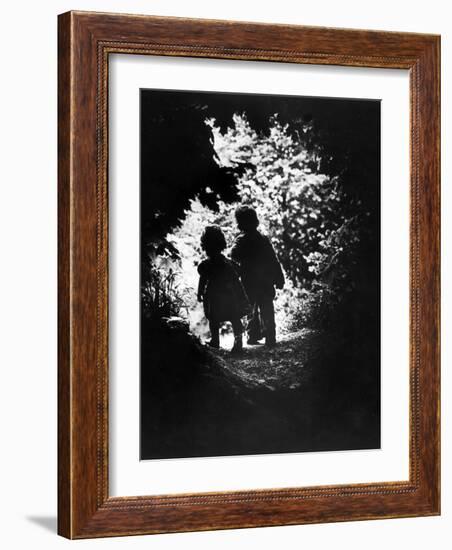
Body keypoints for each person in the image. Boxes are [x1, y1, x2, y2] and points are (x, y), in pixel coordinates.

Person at [231, 206, 285, 347]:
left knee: (251, 310)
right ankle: (270, 336)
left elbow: (234, 255)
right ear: (255, 221)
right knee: (267, 307)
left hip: (249, 281)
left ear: (240, 223)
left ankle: (253, 335)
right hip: (266, 280)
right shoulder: (263, 239)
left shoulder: (241, 240)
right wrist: (279, 278)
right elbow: (274, 260)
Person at [197, 225, 249, 353]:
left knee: (214, 320)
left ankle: (215, 341)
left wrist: (200, 293)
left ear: (204, 245)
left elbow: (202, 280)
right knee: (235, 318)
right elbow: (238, 278)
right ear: (222, 243)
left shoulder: (206, 265)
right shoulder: (228, 264)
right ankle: (238, 343)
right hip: (229, 296)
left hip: (214, 297)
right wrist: (241, 295)